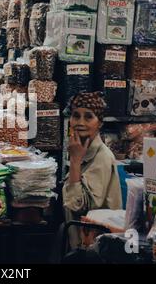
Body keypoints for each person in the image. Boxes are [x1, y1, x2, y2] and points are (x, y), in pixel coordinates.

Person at [62, 92, 122, 249]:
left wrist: (75, 161)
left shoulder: (102, 157)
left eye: (88, 117)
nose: (80, 122)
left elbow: (78, 206)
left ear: (99, 123)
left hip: (95, 249)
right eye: (76, 116)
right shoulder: (83, 150)